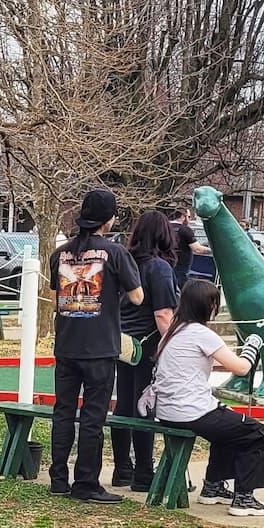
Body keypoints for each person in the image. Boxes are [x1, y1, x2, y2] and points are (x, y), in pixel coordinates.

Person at [48, 187, 143, 504]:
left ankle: (58, 479)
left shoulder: (59, 254)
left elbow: (55, 298)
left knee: (63, 412)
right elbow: (137, 296)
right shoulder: (115, 254)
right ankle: (86, 483)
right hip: (101, 347)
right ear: (109, 219)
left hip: (66, 344)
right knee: (92, 416)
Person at [150, 280, 264, 515]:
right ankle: (244, 498)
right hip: (190, 411)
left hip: (167, 411)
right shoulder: (202, 333)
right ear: (209, 306)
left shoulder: (172, 331)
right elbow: (241, 368)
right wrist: (252, 346)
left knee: (227, 428)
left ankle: (213, 486)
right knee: (256, 432)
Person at [110, 209, 179, 493]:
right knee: (144, 405)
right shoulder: (159, 268)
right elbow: (163, 313)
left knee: (124, 403)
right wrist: (174, 345)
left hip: (121, 340)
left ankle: (121, 468)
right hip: (148, 342)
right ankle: (143, 473)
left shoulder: (123, 262)